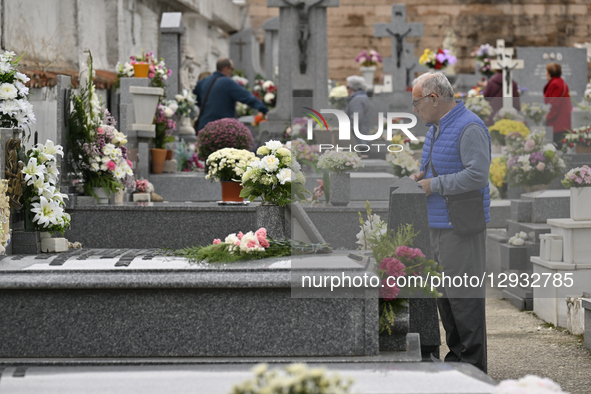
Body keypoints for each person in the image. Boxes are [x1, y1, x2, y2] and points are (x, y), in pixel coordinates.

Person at [409, 72, 491, 373]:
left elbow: (478, 176)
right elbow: (435, 168)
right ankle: (457, 362)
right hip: (437, 223)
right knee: (446, 300)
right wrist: (421, 177)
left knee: (464, 301)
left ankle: (473, 369)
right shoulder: (435, 128)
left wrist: (435, 185)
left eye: (417, 103)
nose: (415, 110)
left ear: (434, 98)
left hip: (460, 226)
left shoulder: (469, 126)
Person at [193, 58, 268, 132]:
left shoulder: (203, 82)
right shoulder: (227, 83)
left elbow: (194, 97)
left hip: (204, 126)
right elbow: (247, 97)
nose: (232, 72)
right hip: (222, 128)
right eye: (231, 69)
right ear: (225, 68)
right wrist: (264, 110)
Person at [544, 63, 572, 148]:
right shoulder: (561, 82)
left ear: (549, 73)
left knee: (556, 148)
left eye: (546, 71)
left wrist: (547, 117)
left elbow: (554, 104)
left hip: (558, 121)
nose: (545, 73)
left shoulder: (555, 84)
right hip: (562, 120)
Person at [343, 75, 371, 145]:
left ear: (353, 88)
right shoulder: (362, 97)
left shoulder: (357, 100)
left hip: (357, 141)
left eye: (347, 87)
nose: (346, 89)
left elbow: (356, 120)